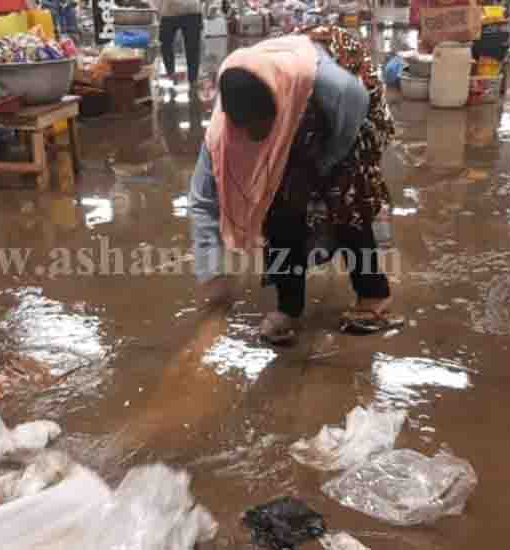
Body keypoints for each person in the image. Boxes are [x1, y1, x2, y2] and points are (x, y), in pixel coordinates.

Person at [189, 28, 403, 344]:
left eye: (264, 127)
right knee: (279, 205)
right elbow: (203, 200)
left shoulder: (335, 87)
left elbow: (353, 110)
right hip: (293, 94)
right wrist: (211, 269)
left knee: (345, 197)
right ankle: (290, 306)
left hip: (344, 111)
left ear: (281, 109)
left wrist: (324, 165)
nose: (254, 137)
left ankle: (373, 295)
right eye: (248, 131)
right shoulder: (222, 137)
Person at [152, 0, 203, 86]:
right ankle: (172, 74)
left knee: (192, 48)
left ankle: (193, 79)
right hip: (170, 11)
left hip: (191, 9)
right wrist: (157, 10)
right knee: (165, 44)